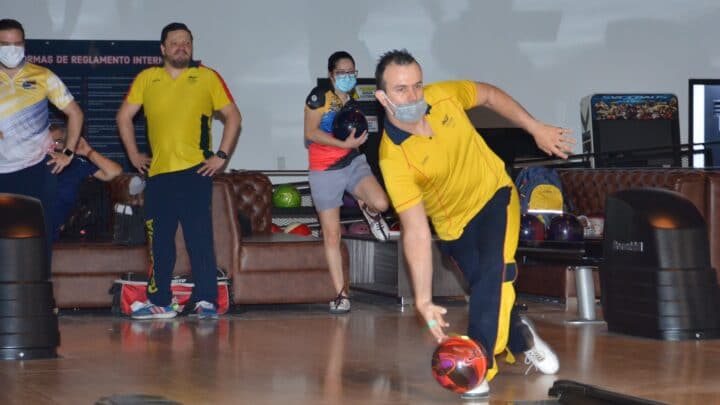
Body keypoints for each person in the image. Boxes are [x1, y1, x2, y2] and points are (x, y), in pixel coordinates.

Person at [374, 49, 574, 399]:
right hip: (454, 228)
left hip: (496, 193)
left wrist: (535, 128)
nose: (413, 96)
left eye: (417, 86)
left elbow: (490, 95)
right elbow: (417, 230)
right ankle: (520, 336)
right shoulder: (393, 158)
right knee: (490, 288)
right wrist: (422, 300)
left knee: (493, 274)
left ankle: (477, 364)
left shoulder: (445, 96)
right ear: (382, 96)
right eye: (401, 89)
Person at [116, 22, 242, 320]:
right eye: (175, 43)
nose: (181, 47)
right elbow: (124, 116)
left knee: (199, 239)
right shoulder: (148, 78)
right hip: (158, 175)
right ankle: (160, 302)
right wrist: (134, 154)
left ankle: (206, 301)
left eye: (186, 42)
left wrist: (221, 156)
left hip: (195, 172)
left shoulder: (207, 77)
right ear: (163, 49)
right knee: (160, 242)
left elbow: (233, 116)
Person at [304, 51, 390, 314]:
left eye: (351, 72)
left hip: (352, 161)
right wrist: (342, 143)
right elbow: (310, 133)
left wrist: (352, 144)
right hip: (324, 170)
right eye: (342, 73)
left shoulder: (352, 99)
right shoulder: (319, 97)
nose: (348, 77)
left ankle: (368, 209)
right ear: (331, 75)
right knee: (332, 235)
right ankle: (341, 294)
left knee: (382, 203)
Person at [0, 19, 84, 261]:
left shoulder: (43, 75)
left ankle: (40, 295)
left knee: (39, 236)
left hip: (37, 169)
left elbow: (75, 113)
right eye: (5, 44)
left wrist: (67, 154)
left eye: (17, 43)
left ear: (24, 44)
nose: (11, 49)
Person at [49, 124, 122, 241]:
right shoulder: (28, 165)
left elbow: (114, 172)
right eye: (47, 143)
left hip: (63, 237)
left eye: (57, 142)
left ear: (66, 145)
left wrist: (87, 151)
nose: (52, 146)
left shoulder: (76, 164)